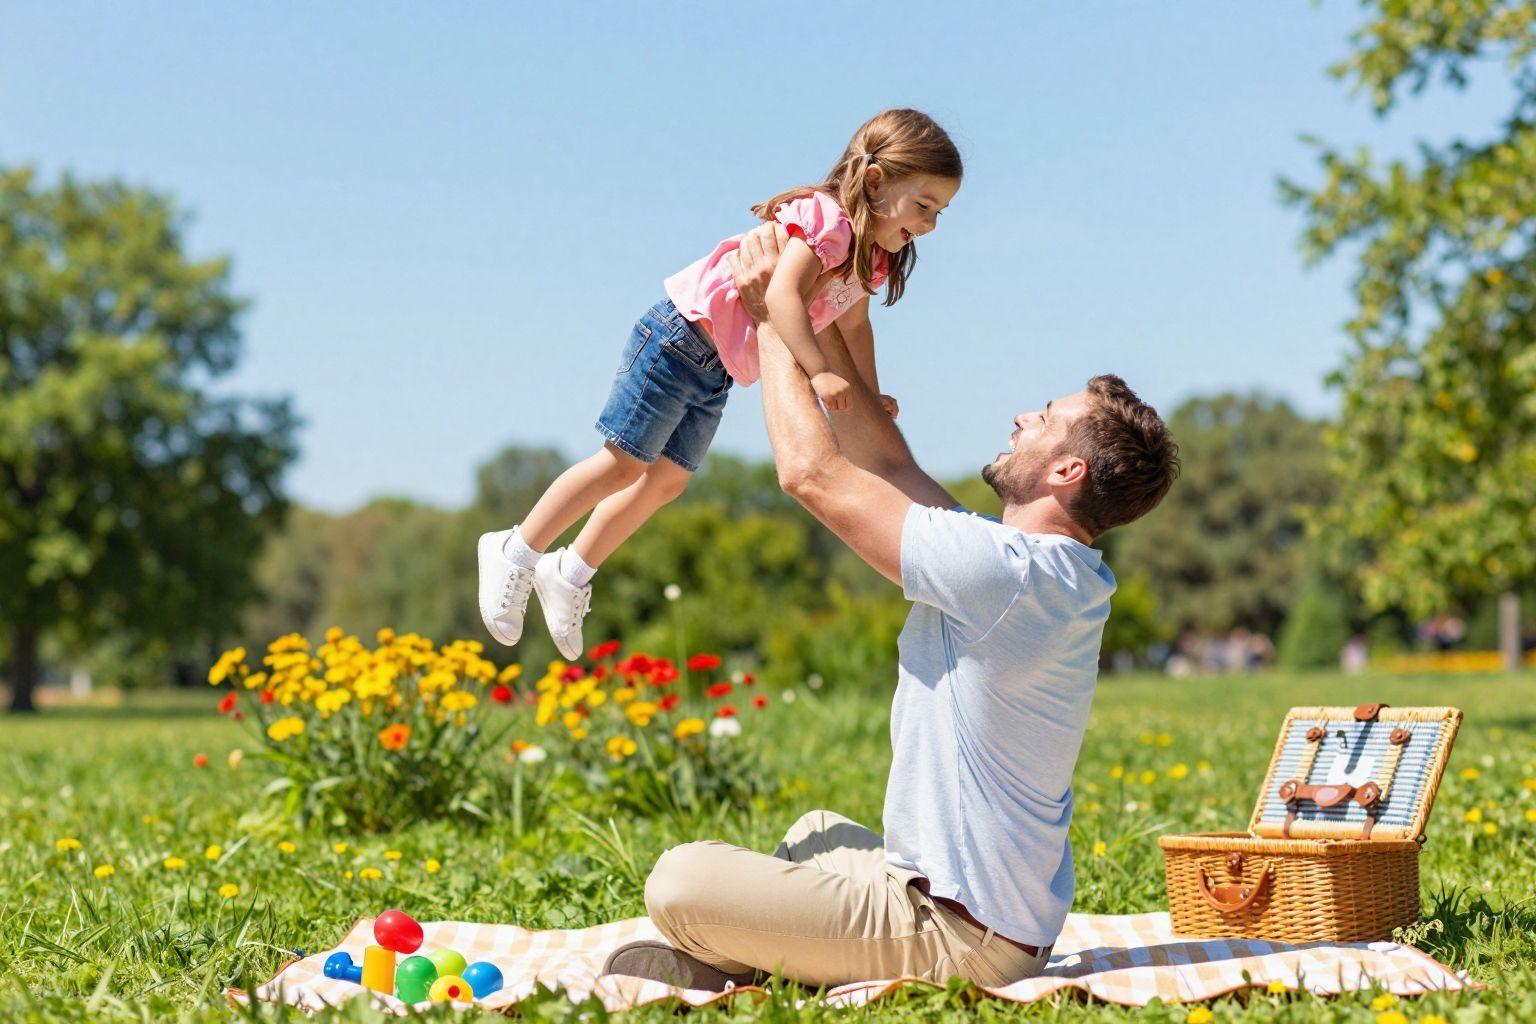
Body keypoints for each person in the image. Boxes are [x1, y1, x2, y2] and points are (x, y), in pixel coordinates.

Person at [601, 226, 1181, 991]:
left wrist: (770, 318)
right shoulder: (1043, 573)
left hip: (957, 937)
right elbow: (887, 460)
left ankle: (743, 959)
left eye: (1044, 418)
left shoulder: (1004, 575)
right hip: (983, 918)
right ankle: (756, 957)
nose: (1021, 418)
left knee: (678, 881)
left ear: (1067, 471)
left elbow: (812, 475)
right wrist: (830, 318)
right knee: (816, 833)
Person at [477, 109, 963, 659]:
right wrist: (819, 370)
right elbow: (780, 296)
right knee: (622, 464)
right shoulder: (828, 222)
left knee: (665, 482)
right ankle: (515, 549)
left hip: (717, 368)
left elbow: (854, 327)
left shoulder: (870, 257)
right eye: (924, 206)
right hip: (678, 336)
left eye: (939, 212)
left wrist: (869, 395)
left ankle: (569, 571)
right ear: (875, 181)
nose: (930, 224)